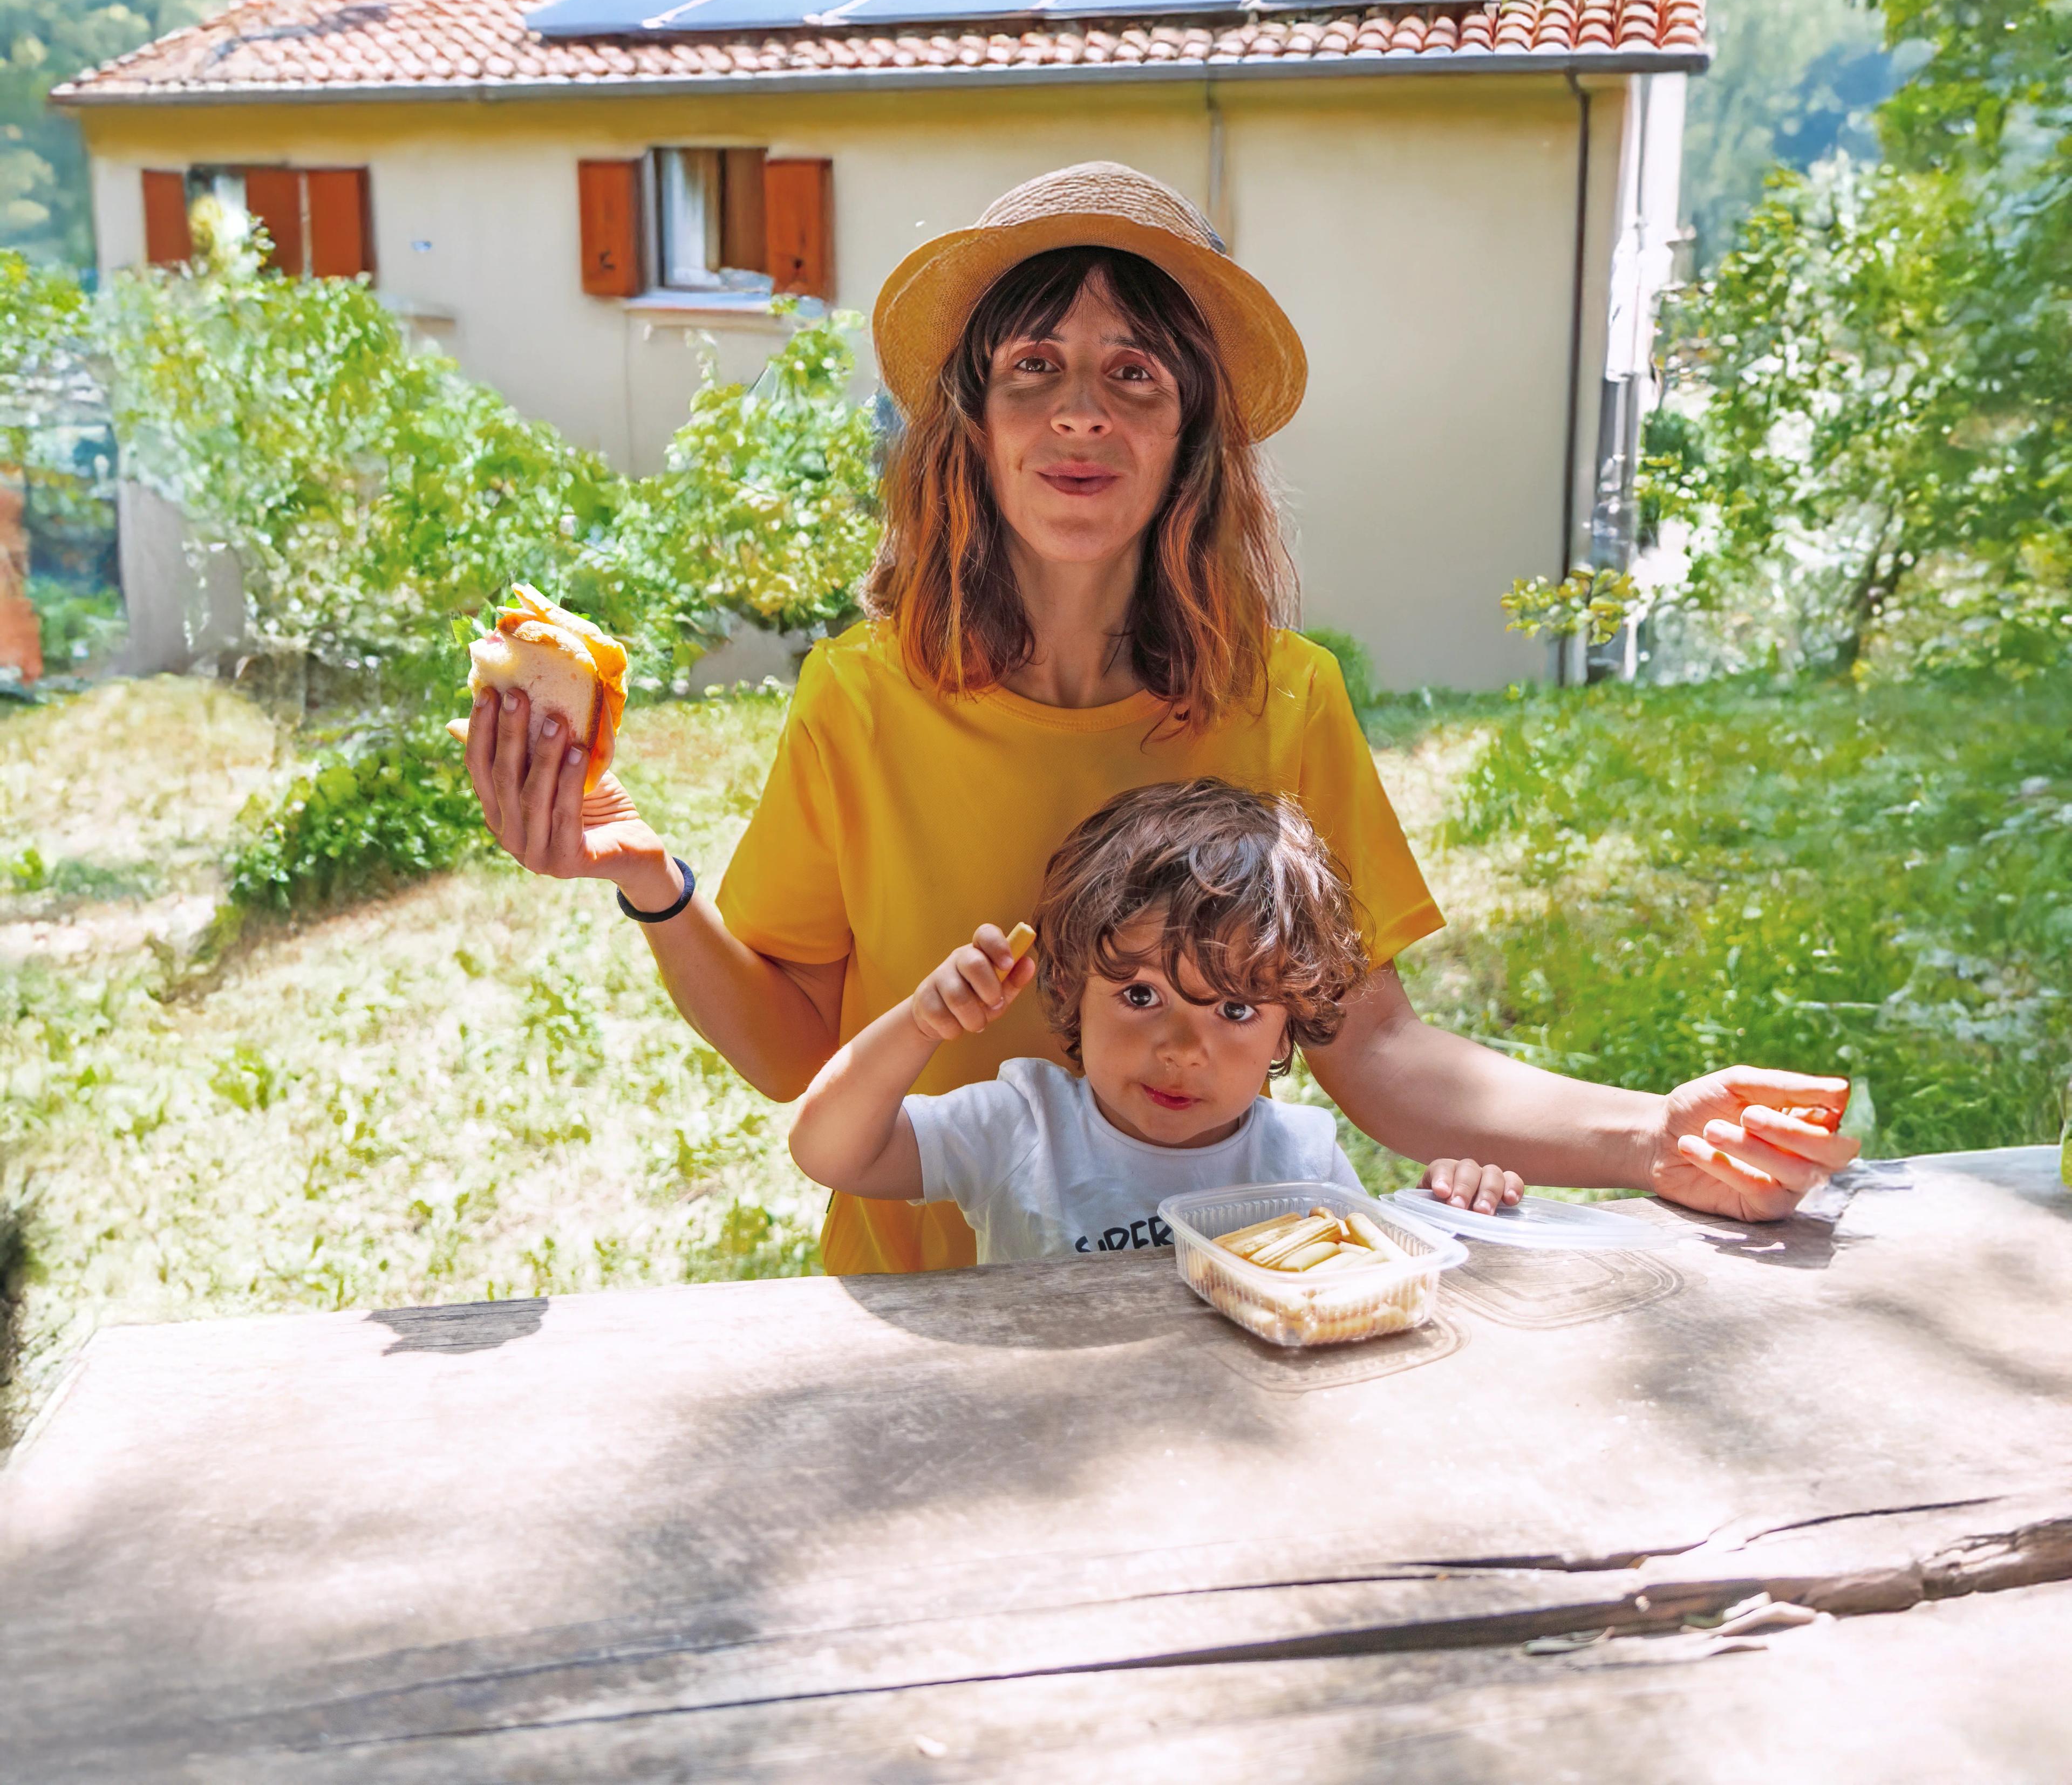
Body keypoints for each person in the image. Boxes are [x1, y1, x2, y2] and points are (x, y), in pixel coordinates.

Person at [465, 160, 1857, 1274]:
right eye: (1034, 367)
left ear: (1192, 433)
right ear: (972, 425)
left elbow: (1375, 1050)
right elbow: (793, 1056)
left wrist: (1649, 1133)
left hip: (1209, 1325)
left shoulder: (1286, 699)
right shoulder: (860, 698)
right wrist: (648, 880)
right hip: (925, 1326)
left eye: (1133, 373)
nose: (1081, 414)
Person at [787, 778, 1527, 1260]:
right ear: (1072, 987)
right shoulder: (1023, 1129)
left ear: (1288, 1026)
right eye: (1141, 996)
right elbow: (829, 1153)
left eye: (1235, 1009)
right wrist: (922, 1024)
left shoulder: (1302, 1161)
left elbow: (1368, 1288)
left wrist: (1451, 1208)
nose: (1181, 1049)